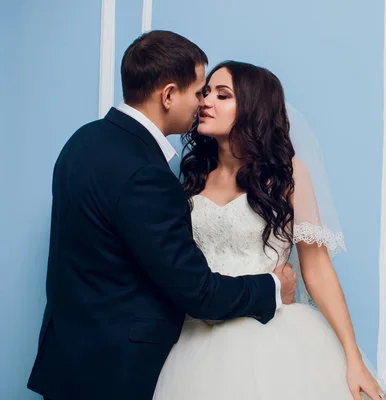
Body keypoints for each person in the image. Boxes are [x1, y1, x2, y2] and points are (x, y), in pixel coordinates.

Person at [26, 31, 297, 400]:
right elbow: (199, 293)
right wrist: (273, 288)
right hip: (117, 372)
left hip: (66, 363)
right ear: (168, 95)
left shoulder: (81, 142)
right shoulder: (146, 174)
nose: (203, 103)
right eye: (200, 91)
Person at [152, 60, 386, 400]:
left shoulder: (287, 175)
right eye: (205, 93)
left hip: (270, 334)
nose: (206, 102)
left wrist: (353, 357)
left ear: (252, 106)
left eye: (222, 95)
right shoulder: (192, 176)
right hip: (196, 338)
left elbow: (317, 267)